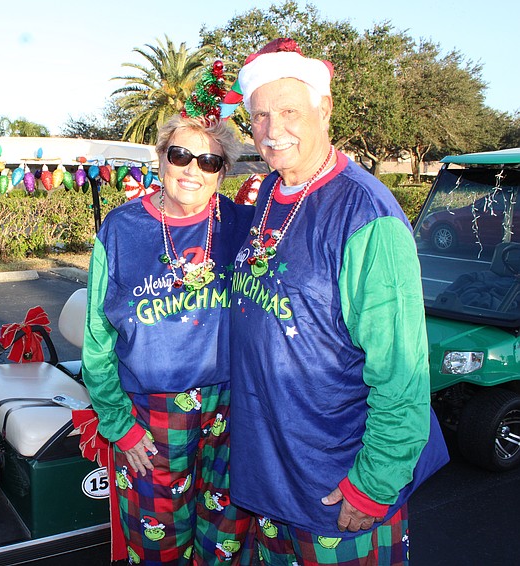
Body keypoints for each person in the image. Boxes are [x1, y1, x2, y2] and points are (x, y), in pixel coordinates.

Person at [226, 38, 450, 565]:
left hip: (337, 484)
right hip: (273, 477)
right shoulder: (269, 196)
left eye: (289, 111)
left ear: (324, 108)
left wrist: (374, 483)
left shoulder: (365, 213)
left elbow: (401, 368)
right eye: (260, 116)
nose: (273, 130)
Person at [82, 107, 255, 564]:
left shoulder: (244, 226)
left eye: (210, 161)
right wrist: (118, 424)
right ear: (161, 157)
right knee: (157, 547)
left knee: (226, 543)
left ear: (224, 171)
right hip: (152, 415)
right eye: (181, 155)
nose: (193, 170)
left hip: (231, 408)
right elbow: (98, 338)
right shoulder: (121, 230)